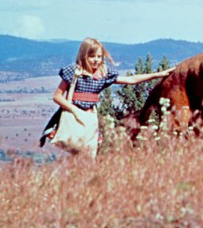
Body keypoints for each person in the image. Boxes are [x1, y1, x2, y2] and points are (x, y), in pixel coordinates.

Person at [41, 37, 174, 157]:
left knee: (89, 156)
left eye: (99, 56)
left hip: (91, 119)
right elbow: (57, 97)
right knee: (75, 150)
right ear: (83, 56)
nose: (96, 60)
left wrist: (158, 74)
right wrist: (74, 110)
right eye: (92, 56)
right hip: (73, 116)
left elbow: (131, 80)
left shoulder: (103, 74)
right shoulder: (74, 72)